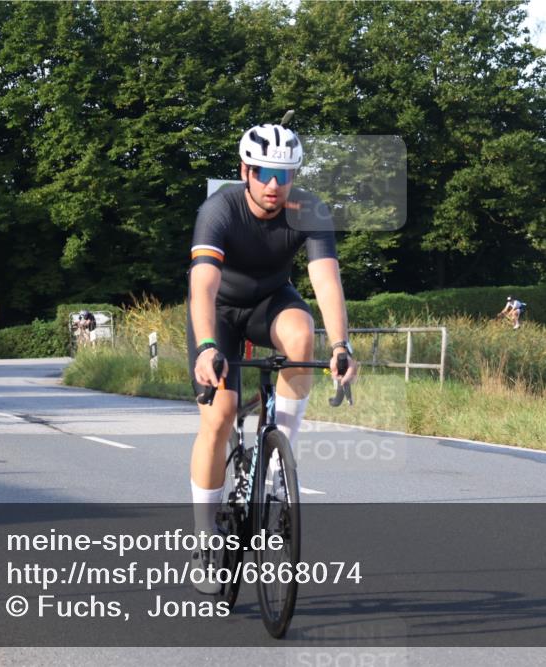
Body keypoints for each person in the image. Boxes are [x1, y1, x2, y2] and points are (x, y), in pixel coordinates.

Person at [186, 121, 358, 593]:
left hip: (269, 303)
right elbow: (203, 285)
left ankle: (278, 466)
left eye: (285, 175)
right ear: (245, 170)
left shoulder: (309, 209)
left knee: (303, 335)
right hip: (218, 313)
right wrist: (206, 348)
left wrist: (341, 344)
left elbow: (325, 280)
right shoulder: (218, 210)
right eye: (264, 173)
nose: (274, 186)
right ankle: (204, 540)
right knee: (219, 416)